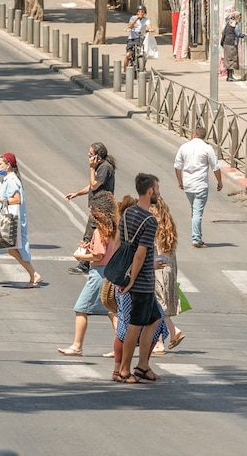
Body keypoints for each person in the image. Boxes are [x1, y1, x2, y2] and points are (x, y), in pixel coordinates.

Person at [113, 174, 163, 384]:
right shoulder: (149, 219)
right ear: (150, 190)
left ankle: (142, 366)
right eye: (157, 189)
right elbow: (141, 254)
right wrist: (132, 280)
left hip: (129, 276)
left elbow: (118, 243)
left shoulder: (127, 213)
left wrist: (119, 273)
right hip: (141, 281)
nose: (159, 193)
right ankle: (124, 370)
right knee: (135, 325)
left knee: (154, 318)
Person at [58, 192, 119, 357]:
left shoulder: (100, 231)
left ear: (99, 211)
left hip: (99, 274)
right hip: (111, 272)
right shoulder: (114, 228)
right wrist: (89, 248)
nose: (90, 213)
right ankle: (120, 347)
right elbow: (106, 252)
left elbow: (98, 255)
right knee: (111, 311)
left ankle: (77, 346)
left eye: (92, 210)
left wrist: (81, 256)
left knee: (81, 308)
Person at [0, 153, 41, 288]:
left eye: (0, 164)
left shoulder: (12, 180)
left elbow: (17, 200)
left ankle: (34, 274)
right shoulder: (6, 179)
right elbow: (1, 198)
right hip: (2, 218)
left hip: (10, 220)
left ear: (8, 165)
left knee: (12, 248)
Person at [65, 142, 116, 275]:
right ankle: (89, 261)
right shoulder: (101, 167)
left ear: (99, 156)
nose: (88, 156)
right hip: (97, 207)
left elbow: (94, 185)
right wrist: (77, 193)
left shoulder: (104, 168)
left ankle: (84, 264)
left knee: (90, 234)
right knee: (93, 235)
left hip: (101, 209)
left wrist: (92, 168)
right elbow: (91, 187)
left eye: (91, 154)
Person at [174, 126, 222, 248]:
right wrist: (219, 182)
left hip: (188, 185)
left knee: (194, 210)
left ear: (194, 134)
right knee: (197, 212)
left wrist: (180, 182)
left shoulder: (184, 147)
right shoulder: (207, 148)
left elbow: (177, 166)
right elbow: (215, 167)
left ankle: (197, 236)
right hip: (201, 185)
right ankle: (196, 239)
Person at [149, 195, 185, 354]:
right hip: (169, 269)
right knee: (157, 306)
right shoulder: (168, 226)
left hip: (157, 269)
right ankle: (170, 332)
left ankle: (161, 340)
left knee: (156, 307)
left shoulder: (152, 226)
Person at [122, 5, 154, 71]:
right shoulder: (133, 18)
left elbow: (149, 26)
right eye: (139, 12)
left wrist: (150, 29)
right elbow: (129, 26)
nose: (140, 13)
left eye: (142, 12)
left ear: (144, 13)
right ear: (137, 12)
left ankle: (143, 67)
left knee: (145, 54)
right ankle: (124, 71)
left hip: (141, 38)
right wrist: (136, 19)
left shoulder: (146, 20)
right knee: (128, 55)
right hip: (132, 38)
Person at [220, 11, 246, 82]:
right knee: (232, 59)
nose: (240, 18)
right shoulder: (235, 24)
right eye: (239, 16)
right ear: (236, 17)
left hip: (226, 43)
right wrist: (244, 35)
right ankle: (230, 76)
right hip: (231, 43)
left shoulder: (228, 23)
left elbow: (223, 33)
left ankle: (229, 76)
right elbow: (238, 33)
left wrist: (222, 42)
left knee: (228, 60)